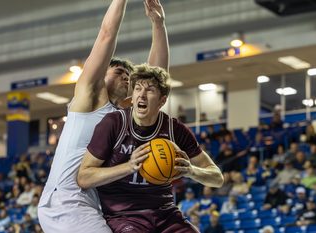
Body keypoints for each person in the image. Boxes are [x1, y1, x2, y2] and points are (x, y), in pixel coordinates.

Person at [38, 0, 170, 232]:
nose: (126, 77)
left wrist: (158, 24)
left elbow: (156, 79)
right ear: (101, 76)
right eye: (119, 71)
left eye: (129, 75)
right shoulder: (88, 100)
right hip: (66, 199)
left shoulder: (123, 117)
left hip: (92, 203)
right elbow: (106, 35)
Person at [77, 64, 224, 232]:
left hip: (166, 213)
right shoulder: (113, 123)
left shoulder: (174, 129)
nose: (142, 95)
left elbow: (217, 178)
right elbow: (84, 177)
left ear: (162, 101)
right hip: (124, 215)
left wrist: (191, 171)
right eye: (138, 89)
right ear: (132, 97)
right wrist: (128, 167)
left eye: (150, 90)